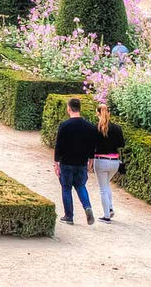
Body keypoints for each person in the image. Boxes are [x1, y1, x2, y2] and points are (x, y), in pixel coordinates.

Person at [53, 96, 98, 225]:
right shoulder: (89, 126)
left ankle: (69, 216)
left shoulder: (65, 126)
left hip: (66, 162)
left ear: (69, 109)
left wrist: (56, 162)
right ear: (79, 108)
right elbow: (91, 145)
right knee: (80, 186)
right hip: (81, 162)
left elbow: (59, 145)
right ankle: (87, 207)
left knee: (66, 188)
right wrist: (91, 158)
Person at [93, 103, 125, 222]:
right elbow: (122, 144)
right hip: (114, 162)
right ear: (109, 113)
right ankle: (110, 208)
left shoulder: (96, 128)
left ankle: (107, 215)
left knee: (103, 188)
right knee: (106, 185)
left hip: (101, 161)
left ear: (97, 113)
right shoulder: (117, 128)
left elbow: (92, 145)